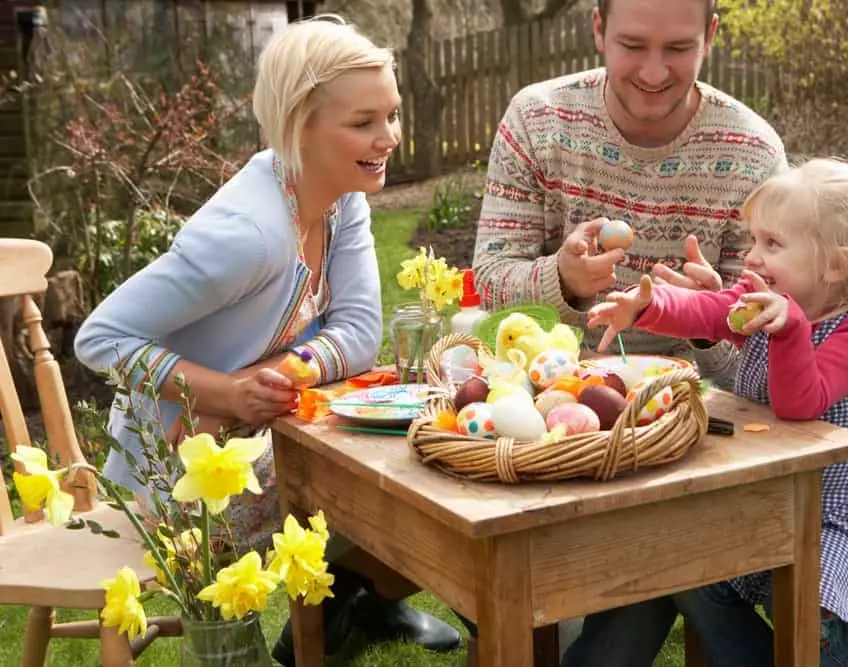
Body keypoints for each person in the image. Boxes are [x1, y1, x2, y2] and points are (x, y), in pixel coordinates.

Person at [73, 14, 461, 666]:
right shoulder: (246, 233)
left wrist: (287, 369)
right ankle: (340, 607)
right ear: (299, 122)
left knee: (410, 453)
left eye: (391, 115)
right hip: (174, 473)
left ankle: (361, 604)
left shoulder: (342, 196)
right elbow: (100, 337)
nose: (389, 136)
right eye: (364, 121)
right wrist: (225, 391)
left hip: (254, 441)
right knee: (393, 481)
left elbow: (361, 333)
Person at [583, 157, 848, 666]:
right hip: (758, 489)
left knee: (809, 595)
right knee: (697, 575)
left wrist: (790, 331)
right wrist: (645, 306)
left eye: (773, 244)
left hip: (828, 511)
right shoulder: (768, 297)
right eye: (754, 241)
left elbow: (801, 403)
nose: (752, 258)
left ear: (835, 264)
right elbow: (710, 310)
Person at [472, 0, 787, 385]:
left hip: (691, 411)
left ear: (710, 37)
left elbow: (765, 364)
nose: (654, 73)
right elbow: (488, 283)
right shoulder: (536, 121)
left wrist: (706, 320)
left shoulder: (754, 154)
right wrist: (562, 280)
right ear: (599, 29)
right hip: (547, 397)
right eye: (633, 46)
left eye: (678, 48)